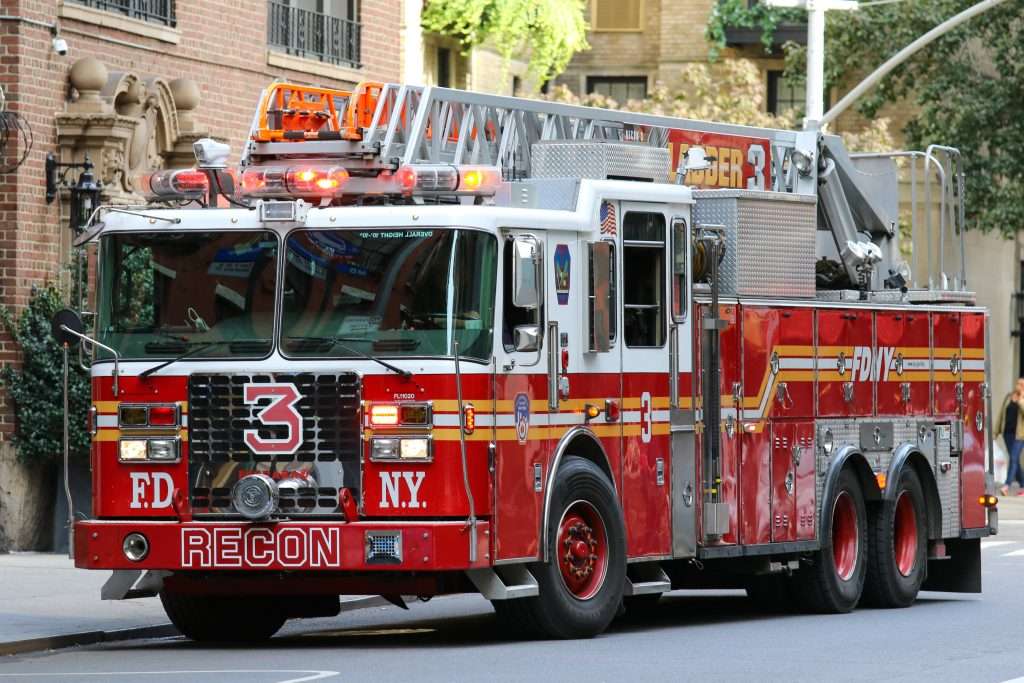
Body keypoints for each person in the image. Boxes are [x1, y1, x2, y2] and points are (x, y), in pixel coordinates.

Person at [996, 377, 1024, 496]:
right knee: (1015, 461)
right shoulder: (1009, 396)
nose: (1019, 386)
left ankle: (1007, 486)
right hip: (1007, 434)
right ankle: (1023, 484)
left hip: (1020, 435)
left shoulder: (1022, 399)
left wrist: (1021, 399)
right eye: (1018, 383)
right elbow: (1001, 414)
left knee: (1013, 459)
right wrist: (996, 431)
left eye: (1022, 384)